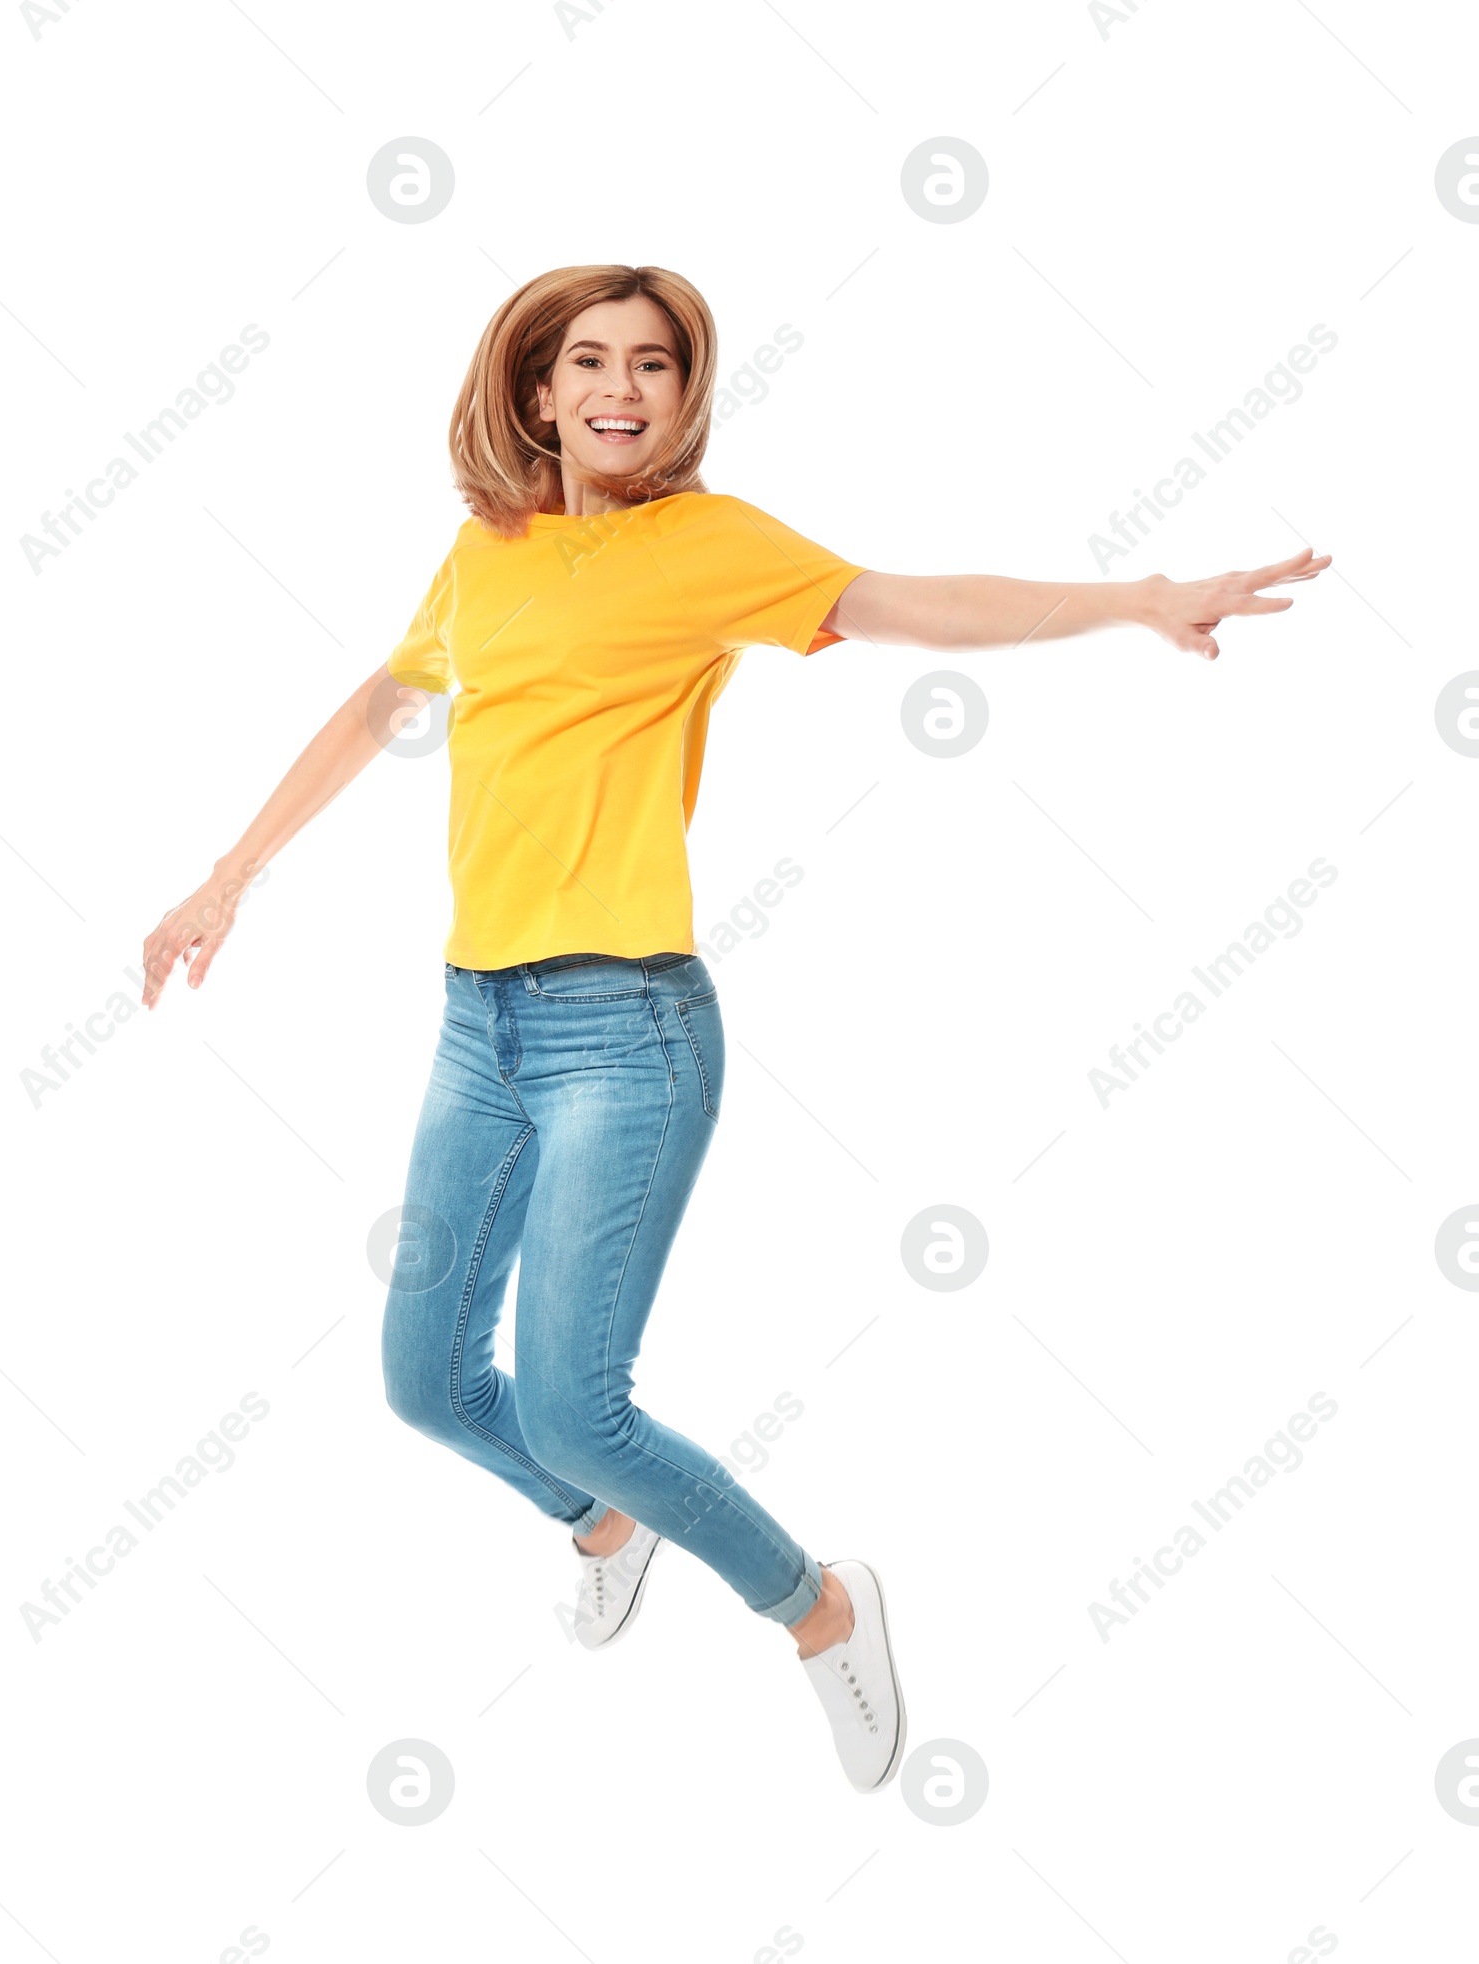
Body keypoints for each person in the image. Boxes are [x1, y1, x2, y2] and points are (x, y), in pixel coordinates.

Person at [140, 264, 1329, 1793]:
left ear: (684, 396)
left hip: (624, 1035)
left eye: (655, 363)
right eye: (590, 362)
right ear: (536, 392)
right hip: (476, 1024)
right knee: (427, 1385)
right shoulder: (485, 551)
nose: (621, 388)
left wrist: (1132, 601)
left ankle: (822, 1608)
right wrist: (226, 877)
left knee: (573, 1402)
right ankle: (600, 1523)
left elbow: (914, 603)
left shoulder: (707, 546)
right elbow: (385, 700)